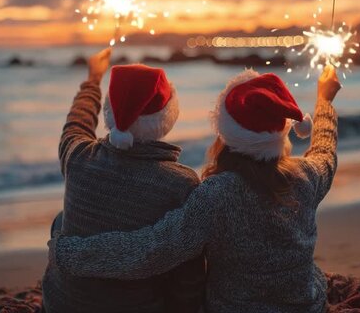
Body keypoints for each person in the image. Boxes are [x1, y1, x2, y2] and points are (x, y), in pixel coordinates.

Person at [48, 64, 342, 313]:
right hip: (308, 305)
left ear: (225, 131)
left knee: (62, 222)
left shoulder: (214, 195)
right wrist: (324, 102)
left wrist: (69, 252)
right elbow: (324, 151)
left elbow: (152, 249)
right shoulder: (308, 175)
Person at [42, 48, 206, 313]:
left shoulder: (78, 157)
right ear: (168, 117)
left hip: (60, 305)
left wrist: (93, 78)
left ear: (109, 113)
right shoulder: (181, 184)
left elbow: (77, 121)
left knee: (62, 221)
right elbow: (188, 274)